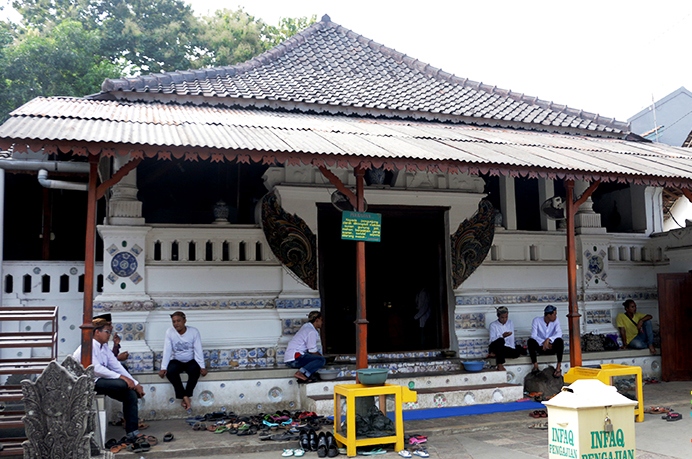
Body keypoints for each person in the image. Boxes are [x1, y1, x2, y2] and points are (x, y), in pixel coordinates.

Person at [73, 313, 145, 442]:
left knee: (131, 394)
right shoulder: (87, 347)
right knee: (123, 384)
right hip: (89, 382)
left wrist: (135, 383)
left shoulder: (104, 347)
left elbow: (116, 365)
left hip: (102, 382)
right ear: (97, 332)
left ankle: (132, 432)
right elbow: (96, 368)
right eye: (107, 331)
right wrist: (123, 378)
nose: (109, 335)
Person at [158, 311, 207, 410]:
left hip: (190, 360)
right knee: (170, 371)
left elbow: (198, 350)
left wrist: (202, 367)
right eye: (174, 322)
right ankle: (185, 397)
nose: (176, 324)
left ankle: (186, 396)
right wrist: (163, 368)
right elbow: (167, 350)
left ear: (185, 321)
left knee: (195, 370)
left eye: (178, 321)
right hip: (177, 360)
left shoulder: (194, 332)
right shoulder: (170, 332)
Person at [284, 311, 326, 383]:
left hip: (290, 358)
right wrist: (322, 357)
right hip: (295, 359)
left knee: (317, 359)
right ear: (317, 320)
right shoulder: (311, 331)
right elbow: (312, 350)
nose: (322, 323)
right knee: (321, 360)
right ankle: (301, 373)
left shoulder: (306, 327)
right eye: (321, 320)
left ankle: (305, 375)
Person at [528, 305, 564, 378]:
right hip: (541, 347)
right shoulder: (537, 320)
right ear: (548, 315)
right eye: (554, 314)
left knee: (560, 341)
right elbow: (533, 335)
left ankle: (558, 368)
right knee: (530, 341)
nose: (555, 316)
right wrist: (543, 342)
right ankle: (535, 366)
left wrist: (549, 340)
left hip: (551, 347)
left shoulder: (556, 321)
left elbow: (559, 333)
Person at [488, 306, 524, 371]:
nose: (504, 319)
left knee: (516, 352)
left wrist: (512, 349)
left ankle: (495, 354)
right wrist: (502, 336)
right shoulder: (493, 325)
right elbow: (492, 340)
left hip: (505, 348)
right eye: (502, 317)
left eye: (506, 317)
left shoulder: (510, 323)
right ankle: (500, 364)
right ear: (498, 316)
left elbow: (511, 339)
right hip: (495, 346)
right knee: (501, 341)